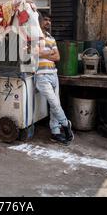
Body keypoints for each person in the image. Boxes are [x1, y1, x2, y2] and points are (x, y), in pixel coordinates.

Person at [35, 12, 74, 145]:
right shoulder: (34, 36)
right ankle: (66, 124)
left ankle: (55, 133)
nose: (48, 23)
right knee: (55, 103)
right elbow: (35, 52)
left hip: (53, 74)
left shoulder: (51, 38)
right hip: (41, 75)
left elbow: (57, 57)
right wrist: (49, 52)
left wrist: (43, 54)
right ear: (39, 21)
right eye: (46, 20)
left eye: (50, 20)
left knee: (54, 105)